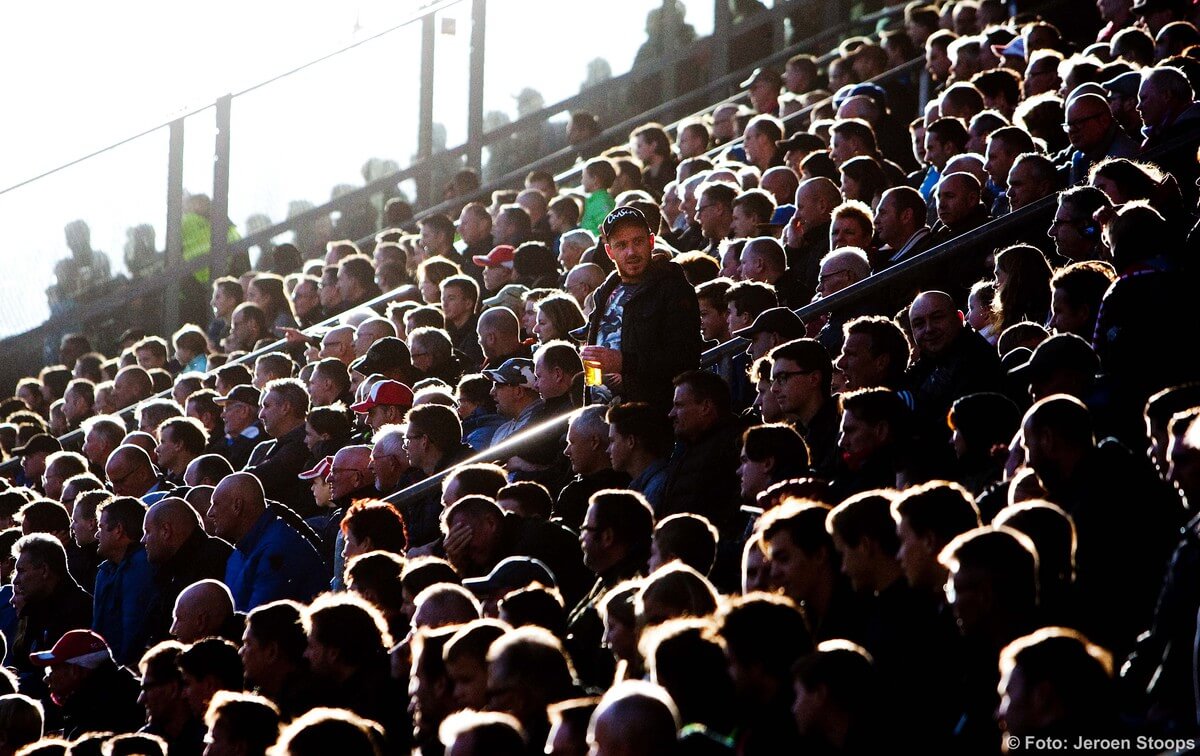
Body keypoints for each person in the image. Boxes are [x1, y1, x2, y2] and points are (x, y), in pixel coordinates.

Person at [581, 207, 701, 412]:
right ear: (609, 251)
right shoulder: (604, 292)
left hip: (648, 416)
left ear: (651, 242)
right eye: (621, 245)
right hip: (602, 417)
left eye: (638, 241)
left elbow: (685, 357)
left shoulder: (673, 288)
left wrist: (624, 362)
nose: (631, 252)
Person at [208, 473, 327, 611]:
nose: (210, 513)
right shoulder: (241, 552)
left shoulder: (279, 549)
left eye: (215, 504)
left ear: (237, 506)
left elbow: (260, 623)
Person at [142, 497, 233, 644]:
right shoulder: (170, 568)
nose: (143, 540)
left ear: (166, 531)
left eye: (147, 531)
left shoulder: (212, 561)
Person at [30, 629, 143, 738]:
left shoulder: (98, 712)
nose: (46, 678)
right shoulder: (121, 691)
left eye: (52, 669)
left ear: (74, 670)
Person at [10, 533, 93, 680]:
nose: (15, 580)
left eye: (21, 571)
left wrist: (21, 680)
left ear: (44, 570)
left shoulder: (77, 611)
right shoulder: (37, 608)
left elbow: (61, 679)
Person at [92, 496, 156, 667]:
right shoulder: (105, 571)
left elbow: (133, 629)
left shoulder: (142, 568)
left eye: (101, 527)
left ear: (118, 530)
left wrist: (121, 670)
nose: (97, 534)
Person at [245, 379, 317, 518]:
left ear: (285, 407)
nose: (261, 415)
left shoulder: (304, 444)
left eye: (266, 406)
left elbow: (260, 478)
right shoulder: (264, 448)